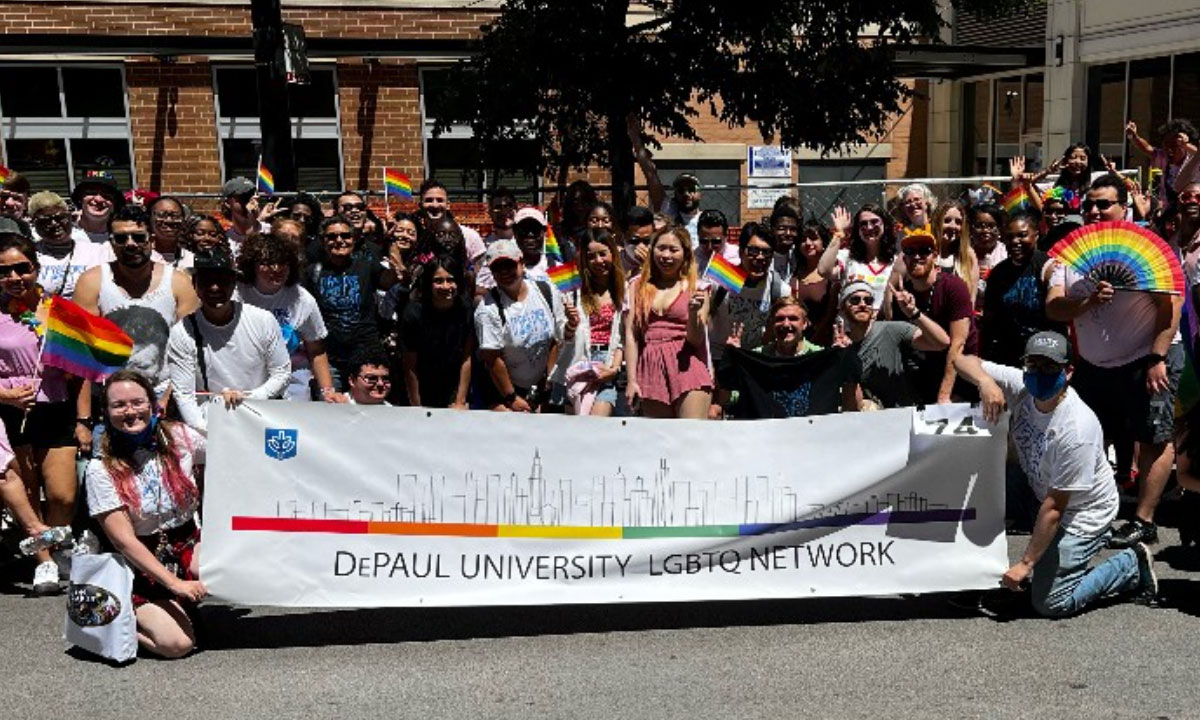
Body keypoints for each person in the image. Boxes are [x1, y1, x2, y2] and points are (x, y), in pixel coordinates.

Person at [956, 333, 1158, 616]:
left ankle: (1129, 564)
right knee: (973, 490)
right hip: (1036, 486)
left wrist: (1026, 564)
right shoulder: (1022, 386)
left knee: (1051, 602)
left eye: (1050, 367)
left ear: (1068, 371)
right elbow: (962, 360)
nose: (1040, 373)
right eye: (1033, 365)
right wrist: (986, 381)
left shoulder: (1076, 429)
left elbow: (1054, 508)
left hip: (1081, 513)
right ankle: (969, 574)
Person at [1046, 174, 1183, 548]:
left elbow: (1170, 306)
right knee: (1082, 435)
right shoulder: (1071, 255)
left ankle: (1144, 519)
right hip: (1093, 364)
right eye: (1089, 204)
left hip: (1146, 357)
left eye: (1103, 204)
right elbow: (1054, 306)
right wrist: (1087, 302)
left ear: (1124, 207)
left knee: (1152, 436)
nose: (1093, 210)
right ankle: (1092, 510)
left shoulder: (1145, 248)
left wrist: (1157, 356)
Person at [85, 370, 207, 658]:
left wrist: (235, 407)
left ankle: (178, 606)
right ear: (105, 412)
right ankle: (116, 621)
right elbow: (124, 542)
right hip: (139, 564)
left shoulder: (180, 437)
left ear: (152, 404)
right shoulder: (99, 470)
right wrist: (175, 583)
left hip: (185, 540)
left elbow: (231, 447)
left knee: (224, 570)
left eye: (138, 402)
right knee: (177, 645)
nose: (130, 411)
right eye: (119, 405)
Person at [0, 234, 88, 594]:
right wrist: (6, 396)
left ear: (36, 266)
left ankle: (47, 548)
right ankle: (44, 564)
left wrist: (83, 421)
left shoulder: (62, 311)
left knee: (62, 496)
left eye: (22, 267)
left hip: (57, 407)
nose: (15, 277)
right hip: (9, 413)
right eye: (4, 271)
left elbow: (83, 370)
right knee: (28, 490)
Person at [75, 206, 199, 397]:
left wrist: (170, 398)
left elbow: (191, 351)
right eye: (121, 238)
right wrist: (83, 419)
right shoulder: (91, 282)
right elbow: (81, 355)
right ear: (111, 243)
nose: (130, 244)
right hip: (110, 394)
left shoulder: (178, 282)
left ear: (152, 240)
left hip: (166, 391)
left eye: (139, 237)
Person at [166, 247, 291, 432]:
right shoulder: (182, 332)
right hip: (212, 419)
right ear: (195, 284)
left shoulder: (262, 320)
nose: (214, 287)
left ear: (233, 283)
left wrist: (249, 399)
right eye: (207, 281)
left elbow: (281, 372)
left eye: (221, 281)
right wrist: (205, 431)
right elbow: (184, 394)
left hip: (262, 413)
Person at [237, 233, 339, 403]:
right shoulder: (237, 293)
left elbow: (316, 350)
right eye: (267, 263)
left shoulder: (302, 299)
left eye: (283, 263)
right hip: (244, 382)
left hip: (291, 386)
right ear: (252, 266)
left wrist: (328, 391)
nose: (276, 269)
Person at [719, 296, 861, 418]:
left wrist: (843, 358)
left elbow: (851, 400)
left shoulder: (822, 358)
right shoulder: (756, 358)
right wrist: (733, 359)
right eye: (780, 319)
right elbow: (725, 399)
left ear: (805, 324)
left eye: (793, 318)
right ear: (772, 324)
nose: (786, 324)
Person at [625, 226, 712, 419]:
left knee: (691, 438)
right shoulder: (636, 286)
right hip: (650, 368)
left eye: (674, 250)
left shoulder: (697, 288)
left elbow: (696, 341)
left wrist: (693, 313)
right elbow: (631, 336)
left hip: (687, 366)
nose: (666, 255)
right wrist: (632, 380)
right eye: (661, 248)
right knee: (661, 442)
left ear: (685, 254)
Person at [474, 239, 567, 412]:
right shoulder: (487, 310)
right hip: (505, 390)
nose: (504, 272)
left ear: (521, 263)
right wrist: (512, 398)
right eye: (497, 268)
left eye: (509, 265)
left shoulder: (546, 291)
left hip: (541, 385)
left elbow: (555, 340)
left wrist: (548, 382)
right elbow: (492, 359)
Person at [888, 231, 978, 404]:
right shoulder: (902, 296)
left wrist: (944, 395)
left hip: (963, 373)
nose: (916, 256)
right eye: (910, 252)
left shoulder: (953, 287)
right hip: (925, 374)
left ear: (935, 257)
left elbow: (957, 344)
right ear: (904, 259)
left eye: (924, 251)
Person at [303, 215, 390, 387]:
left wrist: (397, 266)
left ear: (354, 239)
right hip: (329, 357)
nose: (339, 240)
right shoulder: (313, 272)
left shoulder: (367, 266)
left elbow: (387, 282)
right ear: (322, 241)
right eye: (332, 236)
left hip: (366, 356)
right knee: (331, 406)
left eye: (345, 236)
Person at [840, 279, 948, 409]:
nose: (862, 305)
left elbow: (941, 343)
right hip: (869, 421)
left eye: (868, 301)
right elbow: (851, 408)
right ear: (842, 309)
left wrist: (914, 313)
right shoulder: (842, 350)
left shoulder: (892, 330)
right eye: (855, 300)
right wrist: (846, 361)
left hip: (904, 414)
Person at [554, 229, 625, 417]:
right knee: (576, 433)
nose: (598, 261)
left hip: (607, 364)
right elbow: (561, 336)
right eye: (591, 256)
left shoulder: (624, 291)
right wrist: (571, 323)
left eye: (603, 254)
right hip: (577, 363)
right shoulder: (573, 291)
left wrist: (614, 369)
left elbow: (624, 338)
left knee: (597, 424)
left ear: (613, 254)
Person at [981, 208, 1063, 366]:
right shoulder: (998, 273)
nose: (1015, 242)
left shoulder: (1048, 267)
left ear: (1036, 235)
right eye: (1009, 237)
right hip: (1008, 357)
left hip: (1044, 357)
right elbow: (990, 320)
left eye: (1022, 235)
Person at [709, 222, 790, 366]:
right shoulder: (723, 277)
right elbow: (703, 317)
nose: (760, 257)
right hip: (720, 357)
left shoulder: (778, 288)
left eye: (766, 252)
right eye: (753, 251)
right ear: (740, 252)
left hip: (756, 361)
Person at [401, 256, 474, 409]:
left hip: (453, 382)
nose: (446, 286)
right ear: (429, 283)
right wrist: (416, 405)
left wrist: (460, 400)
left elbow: (466, 358)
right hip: (422, 382)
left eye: (450, 280)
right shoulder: (414, 313)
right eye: (438, 281)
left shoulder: (466, 309)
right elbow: (410, 365)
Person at [818, 204, 899, 312]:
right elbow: (823, 270)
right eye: (863, 224)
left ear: (885, 225)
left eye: (874, 222)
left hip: (882, 325)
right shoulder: (847, 258)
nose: (869, 227)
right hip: (850, 326)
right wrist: (839, 233)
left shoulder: (895, 263)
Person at [28, 191, 108, 300]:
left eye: (60, 217)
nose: (54, 224)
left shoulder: (97, 252)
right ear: (34, 224)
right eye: (44, 221)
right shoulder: (28, 255)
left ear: (70, 217)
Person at [1126, 119, 1199, 209]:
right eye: (1166, 144)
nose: (1169, 149)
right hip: (1167, 210)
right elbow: (1147, 148)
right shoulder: (1163, 157)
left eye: (1174, 145)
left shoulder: (1194, 159)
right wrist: (1134, 136)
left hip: (1190, 208)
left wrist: (1186, 144)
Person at [789, 218, 838, 348]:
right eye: (803, 239)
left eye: (813, 238)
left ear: (823, 242)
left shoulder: (832, 273)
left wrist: (815, 338)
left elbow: (830, 314)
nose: (808, 243)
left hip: (824, 343)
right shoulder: (793, 273)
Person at [416, 180, 486, 267]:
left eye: (440, 200)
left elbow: (482, 275)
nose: (435, 205)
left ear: (448, 205)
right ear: (420, 205)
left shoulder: (469, 236)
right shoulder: (415, 237)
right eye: (429, 200)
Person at [932, 199, 980, 303]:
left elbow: (971, 299)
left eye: (958, 222)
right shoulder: (924, 251)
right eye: (947, 220)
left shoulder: (968, 255)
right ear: (936, 222)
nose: (953, 226)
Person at [967, 203, 1007, 307]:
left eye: (991, 226)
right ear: (971, 229)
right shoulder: (963, 253)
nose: (985, 231)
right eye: (980, 226)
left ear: (999, 229)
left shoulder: (1007, 253)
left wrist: (993, 276)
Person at [70, 170, 126, 244]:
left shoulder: (125, 239)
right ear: (80, 199)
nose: (98, 199)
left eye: (107, 195)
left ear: (114, 204)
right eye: (91, 192)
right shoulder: (64, 237)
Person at [219, 177, 262, 255]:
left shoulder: (269, 231)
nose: (250, 200)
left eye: (252, 195)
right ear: (228, 203)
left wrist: (253, 216)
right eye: (243, 197)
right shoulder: (225, 240)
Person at [147, 195, 192, 270]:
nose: (169, 220)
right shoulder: (142, 259)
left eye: (175, 216)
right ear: (150, 219)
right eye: (161, 215)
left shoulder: (191, 260)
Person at [768, 203, 801, 282]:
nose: (788, 233)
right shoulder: (762, 255)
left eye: (793, 229)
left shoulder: (799, 257)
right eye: (782, 228)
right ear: (773, 230)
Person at [621, 206, 655, 277]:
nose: (641, 246)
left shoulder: (661, 263)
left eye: (647, 241)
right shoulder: (615, 264)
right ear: (623, 237)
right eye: (635, 241)